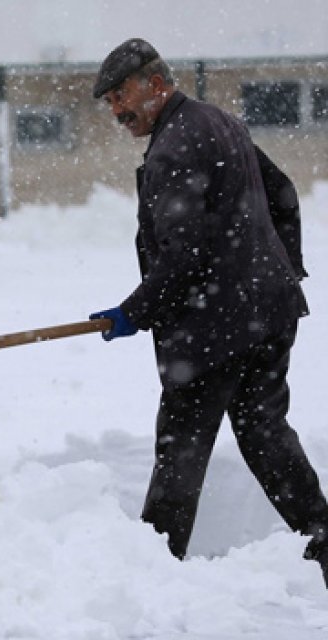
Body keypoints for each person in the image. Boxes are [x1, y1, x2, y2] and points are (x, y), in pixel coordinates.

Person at [87, 38, 328, 583]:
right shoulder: (218, 121)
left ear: (156, 82)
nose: (118, 111)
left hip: (213, 326)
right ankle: (324, 535)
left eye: (122, 95)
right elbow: (283, 192)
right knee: (265, 433)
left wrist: (133, 311)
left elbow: (183, 255)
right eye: (109, 104)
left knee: (181, 450)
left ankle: (152, 572)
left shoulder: (174, 147)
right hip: (267, 314)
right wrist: (281, 272)